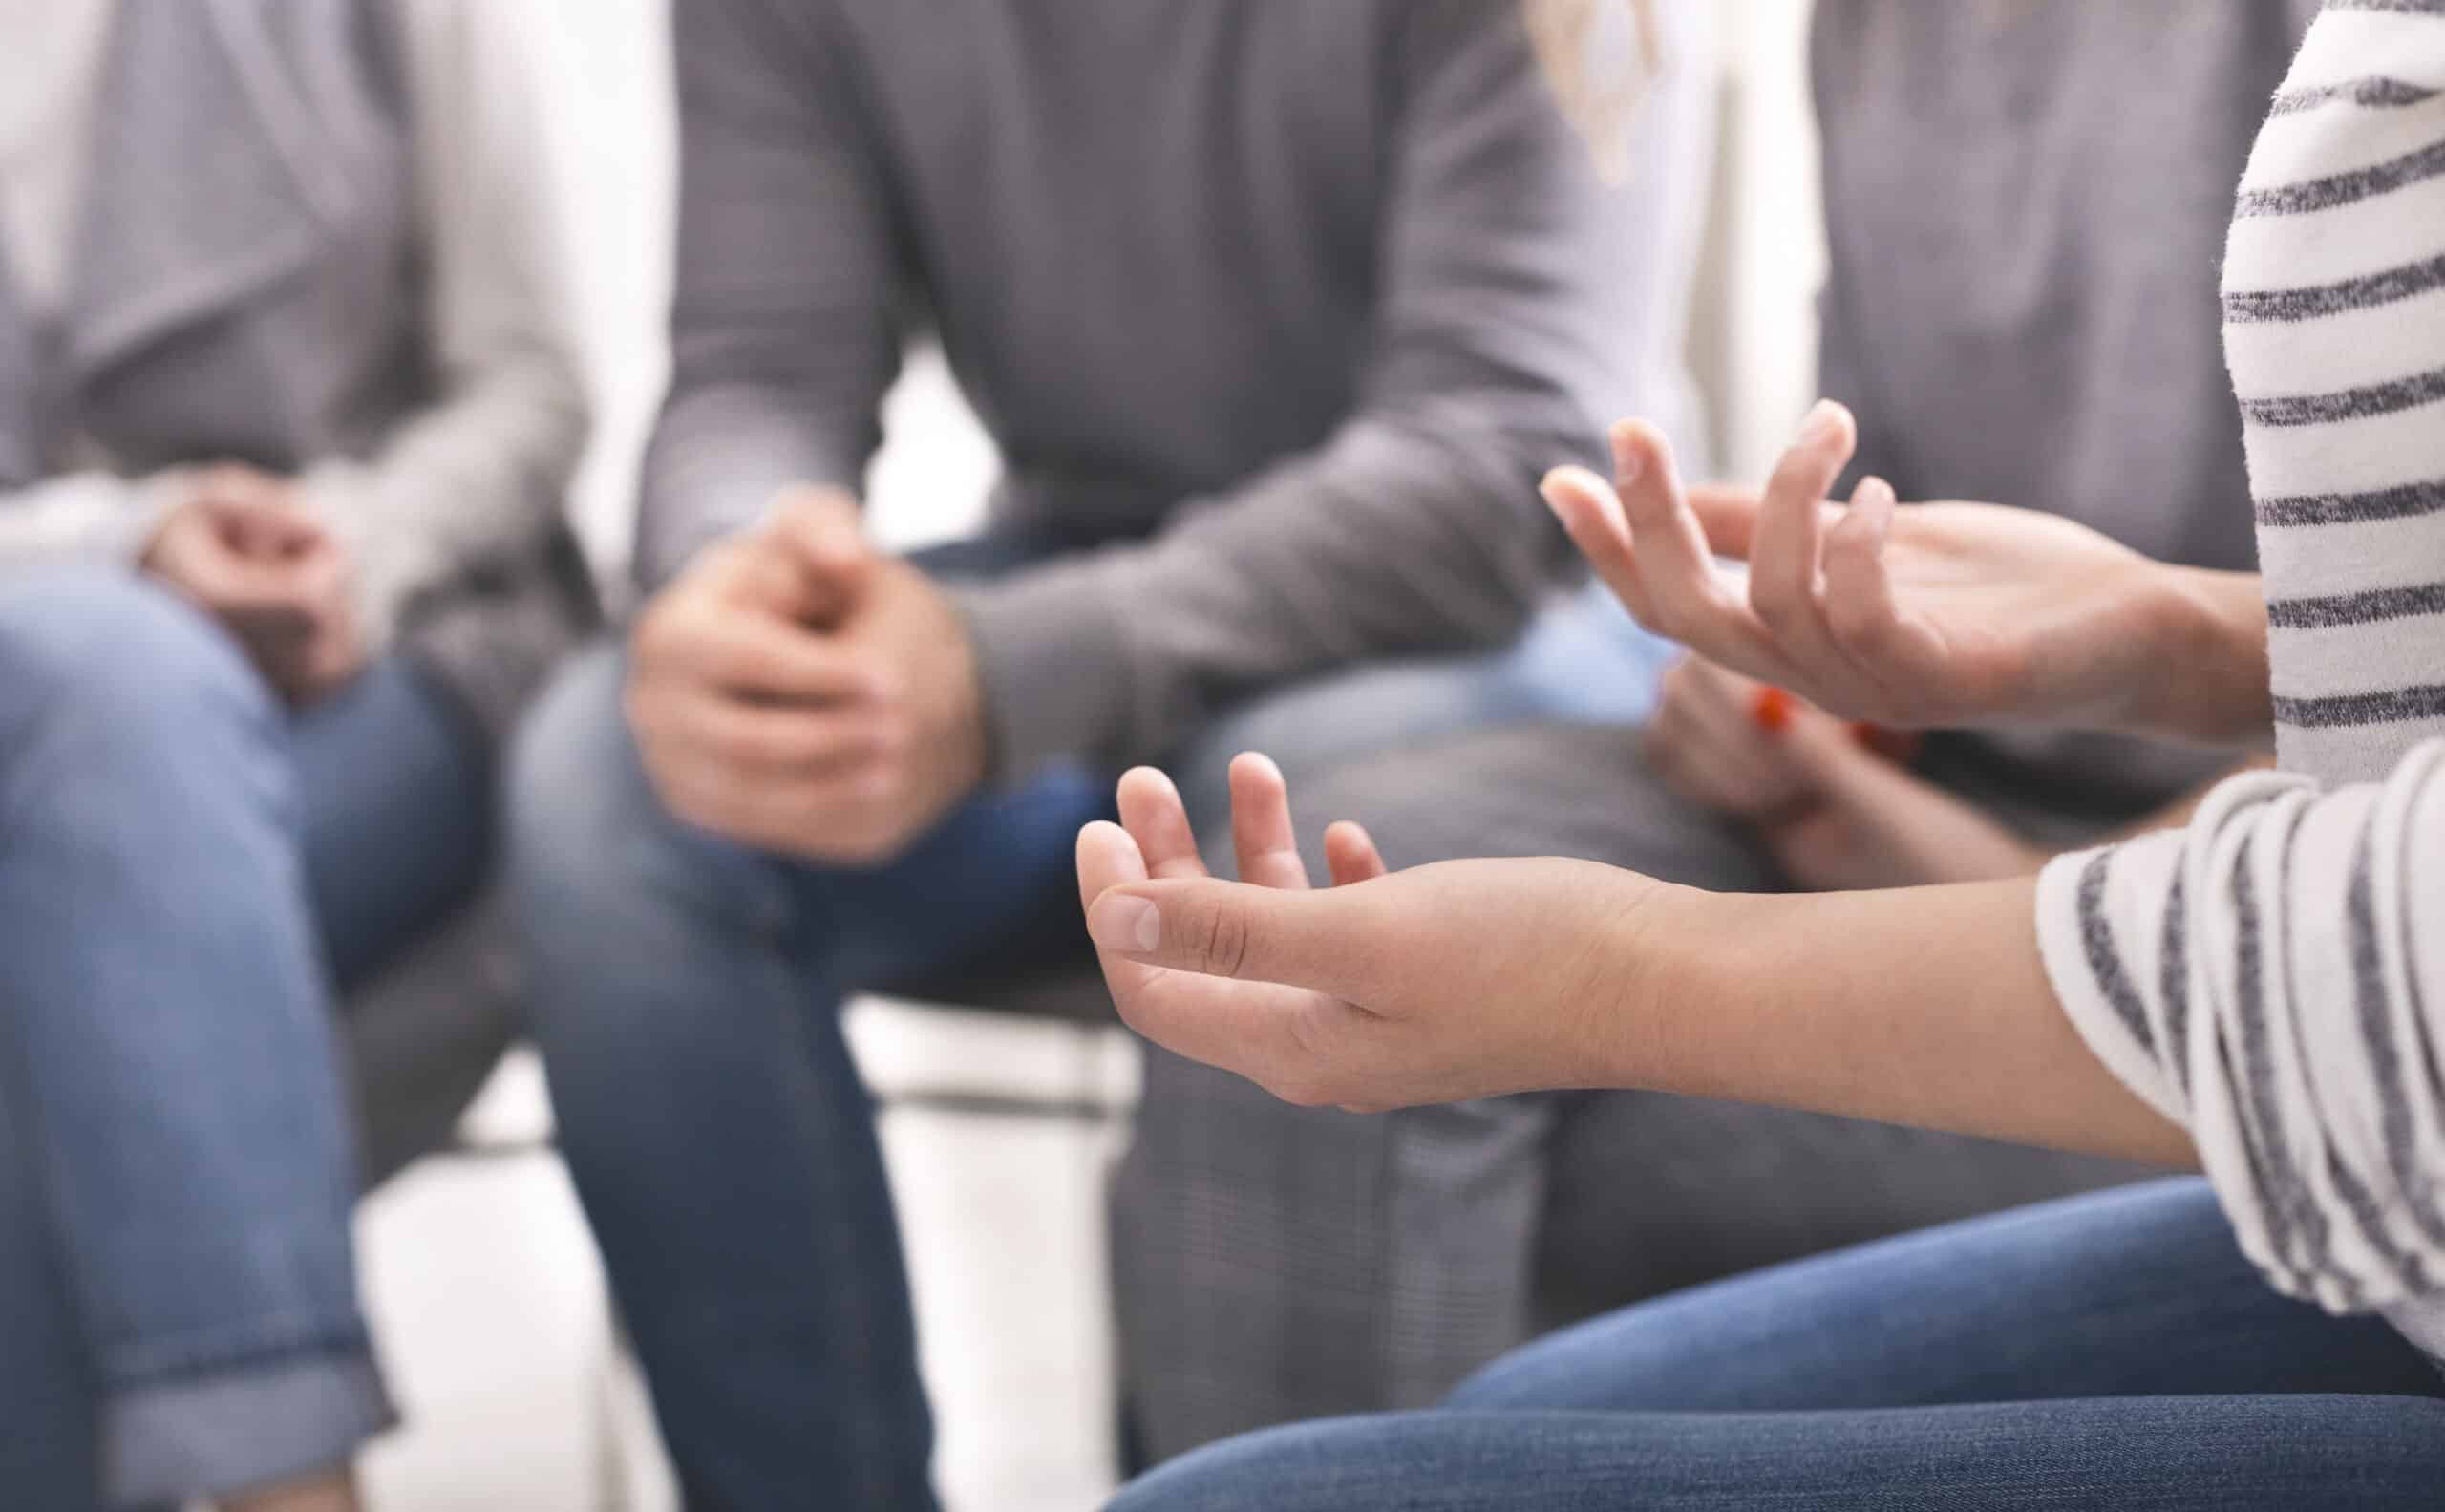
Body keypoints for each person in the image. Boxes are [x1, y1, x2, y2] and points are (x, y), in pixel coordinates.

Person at [1080, 0, 2445, 1503]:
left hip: (2286, 935)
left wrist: (1621, 977)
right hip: (2136, 836)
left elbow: (2399, 971)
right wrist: (2170, 638)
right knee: (1353, 952)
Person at [504, 1, 1713, 1504]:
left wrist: (1007, 670)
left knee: (1284, 822)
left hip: (1502, 604)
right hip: (1093, 570)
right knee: (609, 786)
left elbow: (1501, 457)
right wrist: (745, 575)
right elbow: (757, 371)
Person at [0, 1, 589, 1507]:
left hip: (374, 654)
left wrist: (353, 546)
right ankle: (297, 1478)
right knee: (106, 668)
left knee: (67, 913)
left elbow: (528, 385)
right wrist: (119, 546)